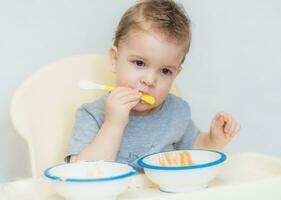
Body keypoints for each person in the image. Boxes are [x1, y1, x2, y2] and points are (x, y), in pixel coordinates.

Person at [65, 0, 241, 164]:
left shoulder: (177, 112)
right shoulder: (92, 115)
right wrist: (113, 124)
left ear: (176, 74)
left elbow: (193, 151)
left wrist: (214, 140)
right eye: (139, 63)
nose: (149, 81)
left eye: (165, 71)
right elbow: (82, 172)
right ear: (114, 59)